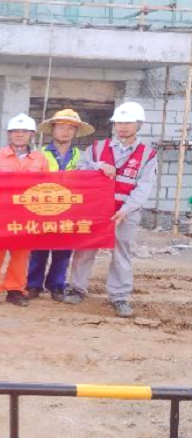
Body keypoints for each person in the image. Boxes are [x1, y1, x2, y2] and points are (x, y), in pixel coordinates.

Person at [64, 102, 157, 318]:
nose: (123, 127)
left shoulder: (148, 154)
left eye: (128, 122)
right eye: (119, 123)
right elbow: (80, 170)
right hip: (95, 212)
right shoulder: (97, 148)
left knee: (121, 255)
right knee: (84, 250)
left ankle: (119, 297)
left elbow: (144, 187)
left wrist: (126, 210)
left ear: (139, 124)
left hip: (125, 214)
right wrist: (98, 166)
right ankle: (77, 289)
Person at [27, 109, 94, 302]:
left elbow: (90, 179)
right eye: (61, 127)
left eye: (70, 128)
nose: (65, 131)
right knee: (38, 249)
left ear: (76, 132)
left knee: (63, 251)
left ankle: (56, 286)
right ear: (52, 129)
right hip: (42, 209)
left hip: (70, 210)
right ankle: (33, 285)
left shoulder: (82, 156)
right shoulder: (38, 155)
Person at [0, 113, 47, 308]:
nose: (19, 135)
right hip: (0, 213)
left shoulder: (40, 159)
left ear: (32, 134)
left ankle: (15, 290)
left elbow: (46, 187)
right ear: (8, 134)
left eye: (24, 131)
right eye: (15, 131)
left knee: (21, 255)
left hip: (27, 215)